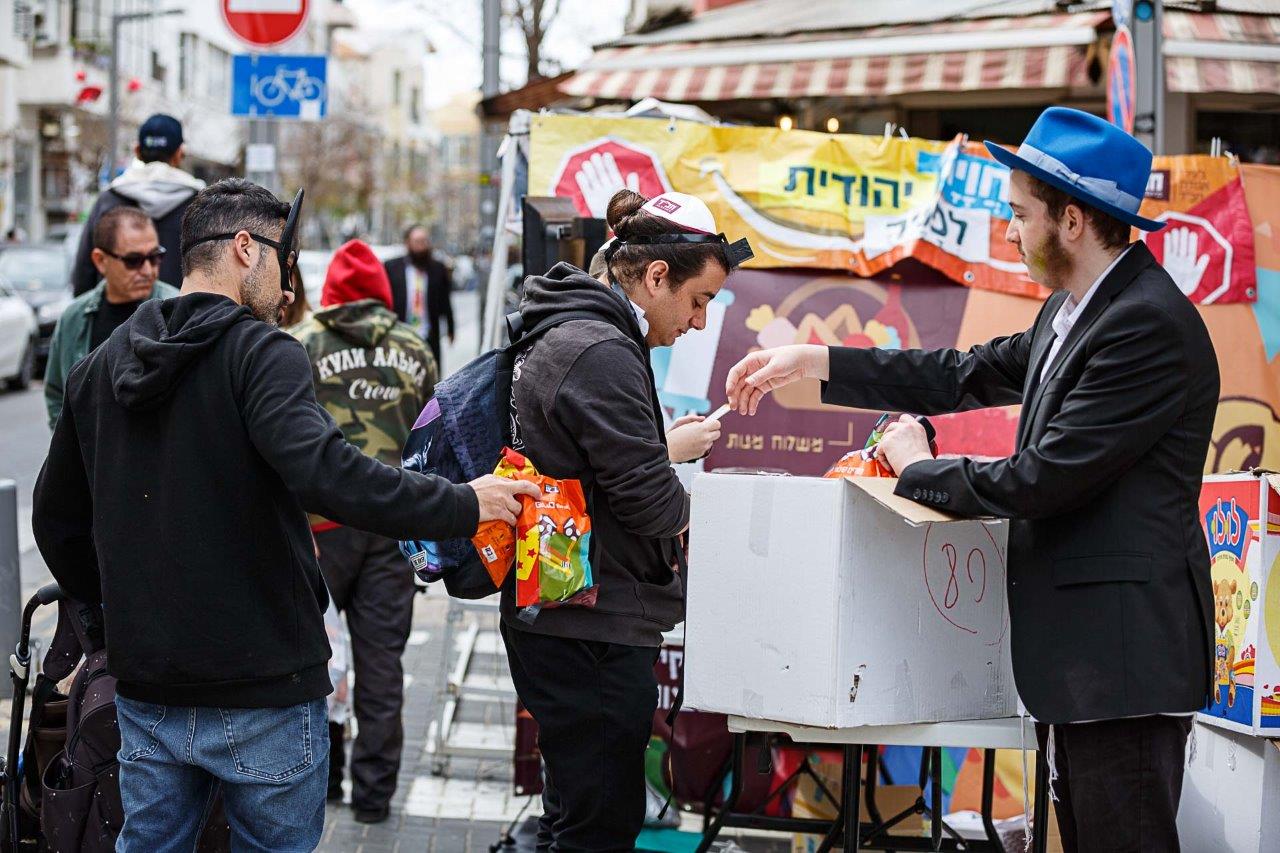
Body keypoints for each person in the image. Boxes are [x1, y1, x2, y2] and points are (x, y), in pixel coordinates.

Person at [726, 107, 1218, 853]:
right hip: (1084, 670)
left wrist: (916, 468)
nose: (1010, 230)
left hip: (1124, 669)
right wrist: (818, 362)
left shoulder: (1146, 325)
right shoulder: (1073, 311)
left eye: (1020, 214)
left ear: (1074, 220)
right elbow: (963, 372)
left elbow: (1043, 478)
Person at [31, 178, 539, 852]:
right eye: (285, 255)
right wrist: (466, 502)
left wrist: (110, 618)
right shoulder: (263, 353)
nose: (289, 276)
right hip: (262, 684)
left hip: (149, 681)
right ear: (246, 248)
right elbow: (329, 474)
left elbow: (56, 520)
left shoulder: (99, 367)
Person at [506, 188, 747, 849]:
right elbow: (651, 504)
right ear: (656, 275)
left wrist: (652, 453)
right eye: (698, 301)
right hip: (590, 624)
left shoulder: (571, 327)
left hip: (568, 608)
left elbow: (596, 468)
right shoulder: (603, 349)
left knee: (576, 814)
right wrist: (680, 492)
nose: (698, 322)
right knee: (599, 824)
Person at [290, 239, 438, 823]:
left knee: (310, 659)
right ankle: (374, 796)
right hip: (391, 526)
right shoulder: (415, 349)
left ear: (331, 293)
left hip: (317, 529)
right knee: (382, 663)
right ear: (382, 292)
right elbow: (434, 440)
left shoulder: (299, 345)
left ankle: (322, 778)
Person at [43, 206, 178, 429]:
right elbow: (58, 394)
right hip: (91, 460)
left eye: (155, 257)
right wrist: (72, 452)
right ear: (100, 260)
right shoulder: (75, 318)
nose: (147, 270)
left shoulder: (175, 308)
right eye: (133, 260)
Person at [71, 113, 204, 296]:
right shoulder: (201, 204)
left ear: (137, 150)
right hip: (183, 319)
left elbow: (84, 271)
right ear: (180, 152)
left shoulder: (109, 199)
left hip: (117, 320)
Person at [385, 225, 454, 368]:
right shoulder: (391, 268)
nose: (421, 246)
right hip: (400, 335)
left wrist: (450, 328)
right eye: (417, 241)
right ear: (408, 243)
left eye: (424, 241)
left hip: (429, 336)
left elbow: (445, 301)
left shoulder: (438, 268)